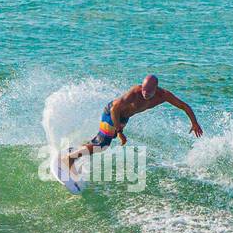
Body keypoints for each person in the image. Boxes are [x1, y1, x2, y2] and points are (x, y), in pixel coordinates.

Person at [62, 74, 202, 174]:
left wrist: (194, 123)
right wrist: (119, 132)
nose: (145, 93)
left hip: (124, 118)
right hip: (112, 113)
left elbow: (184, 106)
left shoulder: (164, 95)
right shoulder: (135, 92)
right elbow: (115, 108)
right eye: (144, 90)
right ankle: (70, 159)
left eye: (149, 91)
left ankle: (77, 149)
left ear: (156, 89)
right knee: (102, 145)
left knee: (100, 141)